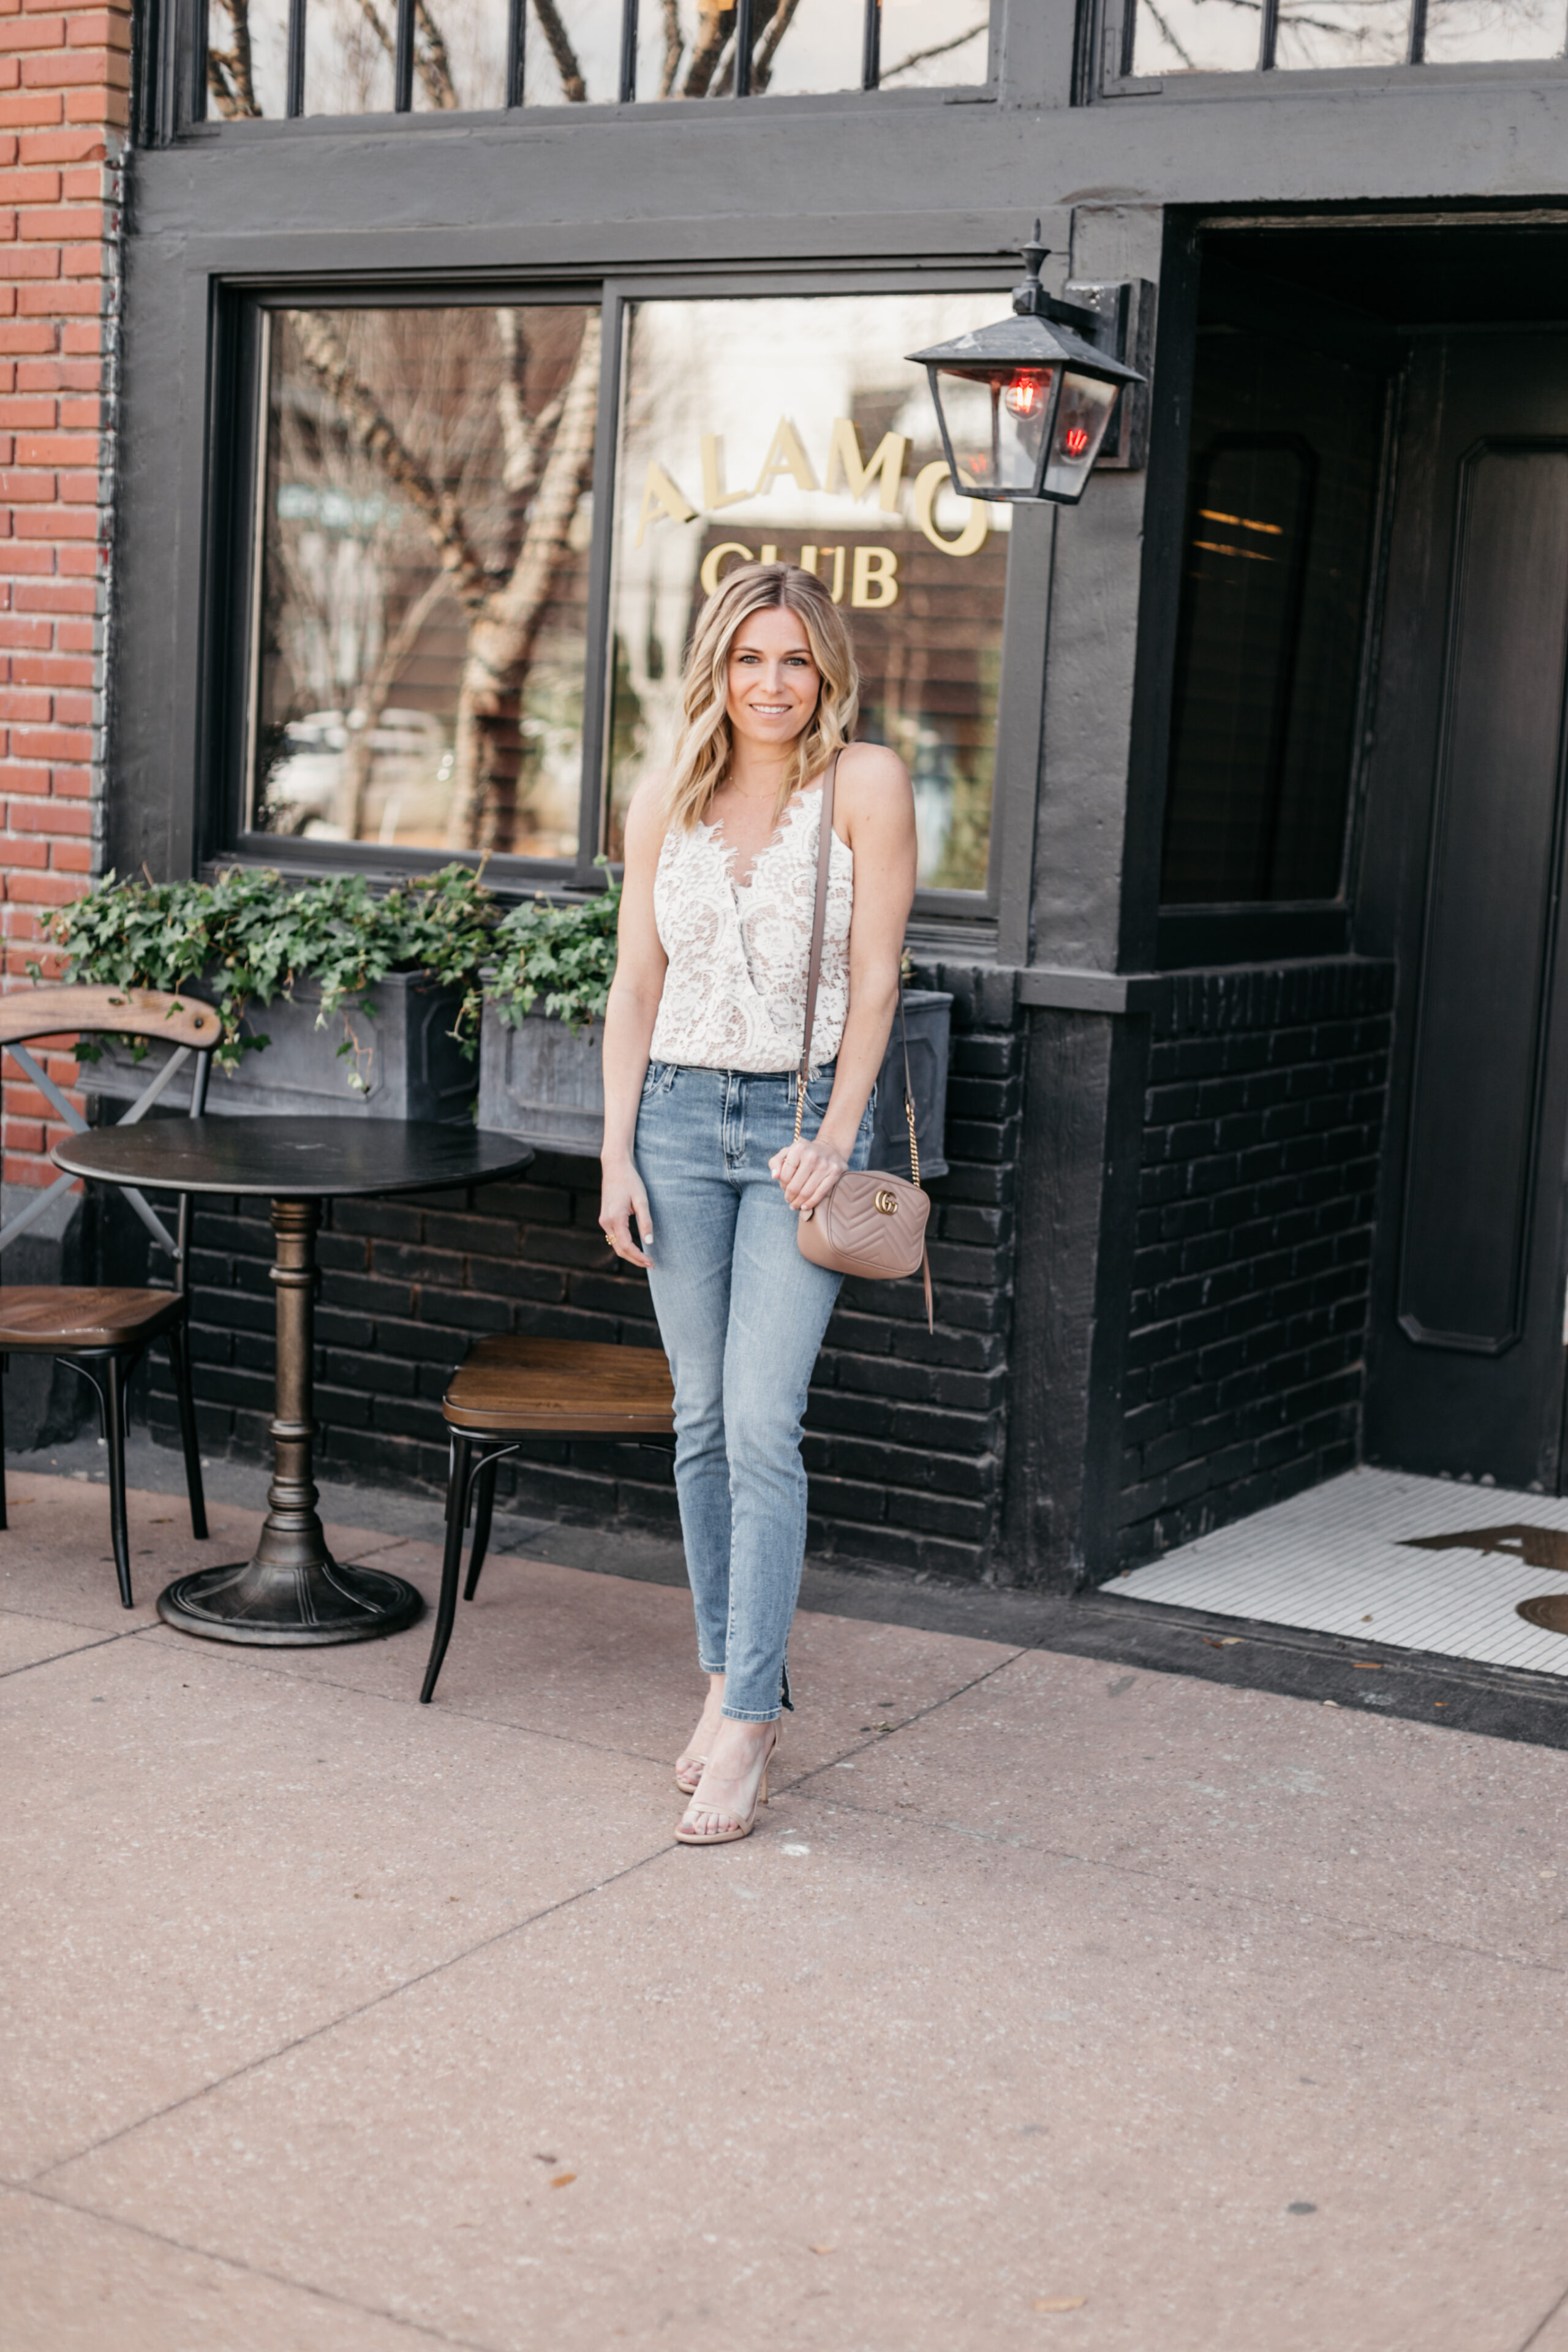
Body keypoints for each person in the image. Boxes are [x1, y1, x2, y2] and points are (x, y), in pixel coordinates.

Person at [599, 561, 918, 1845]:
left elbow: (878, 978)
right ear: (716, 669)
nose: (771, 684)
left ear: (824, 668)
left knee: (760, 1421)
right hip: (674, 1122)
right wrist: (614, 1154)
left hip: (799, 1129)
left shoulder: (864, 783)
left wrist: (834, 1140)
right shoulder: (663, 792)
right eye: (748, 659)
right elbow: (635, 984)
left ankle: (751, 1721)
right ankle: (728, 1675)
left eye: (793, 659)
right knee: (697, 1419)